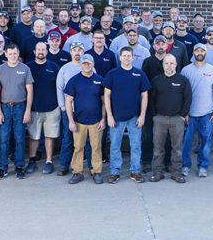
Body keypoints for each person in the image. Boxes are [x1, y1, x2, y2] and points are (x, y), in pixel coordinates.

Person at [103, 47, 150, 183]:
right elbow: (106, 96)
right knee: (115, 145)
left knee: (135, 145)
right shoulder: (112, 74)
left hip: (134, 116)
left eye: (129, 56)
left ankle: (135, 171)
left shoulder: (139, 74)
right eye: (124, 56)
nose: (127, 58)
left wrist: (142, 115)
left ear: (133, 57)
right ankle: (114, 172)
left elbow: (144, 95)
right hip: (116, 117)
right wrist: (109, 116)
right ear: (120, 57)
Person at [180, 44, 213, 178]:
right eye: (197, 50)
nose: (199, 52)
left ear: (206, 53)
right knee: (187, 142)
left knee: (206, 141)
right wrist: (183, 112)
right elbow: (181, 93)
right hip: (190, 114)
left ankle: (203, 166)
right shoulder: (186, 70)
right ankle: (186, 165)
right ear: (193, 53)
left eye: (202, 50)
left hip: (207, 113)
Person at [64, 54, 106, 184]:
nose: (87, 65)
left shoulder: (100, 80)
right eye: (84, 63)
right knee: (78, 147)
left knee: (96, 147)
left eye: (89, 63)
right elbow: (68, 101)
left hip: (96, 121)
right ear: (81, 64)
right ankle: (77, 172)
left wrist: (103, 119)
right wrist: (70, 121)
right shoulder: (74, 80)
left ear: (93, 64)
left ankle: (96, 172)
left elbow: (104, 101)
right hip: (79, 121)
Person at [0, 44, 34, 180]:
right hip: (5, 107)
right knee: (4, 138)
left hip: (20, 107)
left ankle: (19, 166)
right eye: (10, 54)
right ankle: (3, 167)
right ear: (5, 54)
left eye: (15, 54)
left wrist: (27, 111)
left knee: (20, 138)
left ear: (18, 53)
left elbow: (30, 91)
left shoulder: (25, 69)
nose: (12, 56)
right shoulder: (0, 70)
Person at [148, 55, 191, 183]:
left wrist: (182, 115)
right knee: (158, 148)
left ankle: (176, 172)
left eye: (172, 63)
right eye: (166, 63)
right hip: (159, 118)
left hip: (177, 119)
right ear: (163, 65)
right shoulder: (156, 80)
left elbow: (188, 99)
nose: (169, 66)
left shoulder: (183, 80)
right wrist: (154, 115)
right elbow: (151, 99)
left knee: (177, 148)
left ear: (176, 64)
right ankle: (157, 172)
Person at [25, 41, 60, 174]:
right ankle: (32, 160)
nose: (41, 52)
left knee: (49, 136)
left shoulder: (54, 67)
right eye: (38, 49)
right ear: (34, 51)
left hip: (51, 108)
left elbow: (59, 87)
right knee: (34, 136)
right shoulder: (28, 67)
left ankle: (49, 161)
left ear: (47, 51)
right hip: (34, 108)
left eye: (43, 50)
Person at [55, 41, 86, 176]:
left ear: (83, 52)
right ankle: (64, 165)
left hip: (85, 111)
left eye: (80, 50)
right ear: (71, 52)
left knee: (85, 140)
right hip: (69, 110)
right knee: (68, 139)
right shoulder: (65, 69)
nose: (77, 52)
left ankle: (87, 166)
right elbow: (59, 89)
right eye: (75, 50)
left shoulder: (88, 67)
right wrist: (62, 107)